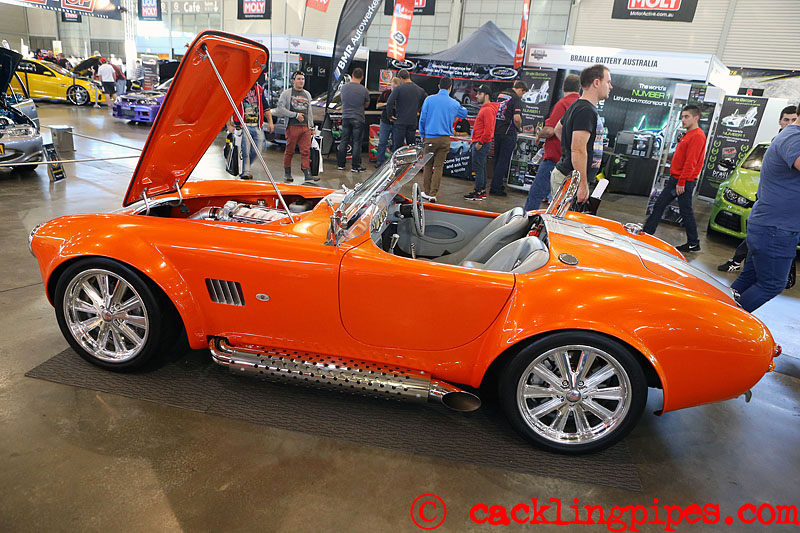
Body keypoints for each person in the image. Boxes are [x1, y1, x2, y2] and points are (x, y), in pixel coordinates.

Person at [731, 106, 800, 312]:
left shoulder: (790, 136)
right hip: (776, 229)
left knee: (750, 277)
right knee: (772, 284)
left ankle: (713, 317)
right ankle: (725, 323)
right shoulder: (794, 138)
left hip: (771, 226)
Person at [718, 104, 799, 271]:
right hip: (772, 213)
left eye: (793, 119)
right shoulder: (789, 140)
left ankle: (738, 262)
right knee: (771, 280)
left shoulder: (785, 138)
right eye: (786, 119)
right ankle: (736, 260)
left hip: (778, 216)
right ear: (780, 121)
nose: (790, 123)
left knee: (754, 268)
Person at [643, 104, 706, 252]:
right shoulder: (688, 134)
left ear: (696, 118)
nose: (683, 120)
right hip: (676, 179)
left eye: (686, 117)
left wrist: (682, 182)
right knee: (660, 205)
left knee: (685, 211)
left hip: (683, 181)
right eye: (682, 117)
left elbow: (691, 162)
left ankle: (693, 242)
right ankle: (646, 233)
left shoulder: (697, 136)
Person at [551, 64, 612, 205]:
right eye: (608, 82)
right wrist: (582, 184)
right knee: (565, 218)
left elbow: (558, 129)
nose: (610, 86)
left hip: (568, 176)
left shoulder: (579, 105)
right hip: (571, 180)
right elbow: (578, 149)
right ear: (596, 82)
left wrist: (569, 148)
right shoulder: (586, 110)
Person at [523, 74, 581, 210]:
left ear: (563, 87)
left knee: (536, 194)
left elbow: (550, 130)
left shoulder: (563, 104)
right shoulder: (581, 105)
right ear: (579, 88)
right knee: (562, 200)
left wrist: (539, 135)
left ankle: (527, 221)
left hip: (554, 158)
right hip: (571, 161)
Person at [418, 77, 468, 203]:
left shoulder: (429, 99)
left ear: (439, 86)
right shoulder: (454, 103)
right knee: (438, 166)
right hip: (445, 139)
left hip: (430, 138)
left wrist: (423, 134)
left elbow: (422, 119)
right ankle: (433, 194)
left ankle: (427, 192)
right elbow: (464, 114)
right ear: (450, 88)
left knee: (428, 165)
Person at [226, 82, 275, 180]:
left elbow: (266, 107)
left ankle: (245, 167)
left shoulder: (259, 89)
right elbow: (229, 106)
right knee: (245, 150)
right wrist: (228, 124)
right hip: (243, 125)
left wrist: (270, 122)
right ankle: (245, 172)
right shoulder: (238, 89)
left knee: (259, 150)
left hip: (257, 125)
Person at [489, 80, 527, 196]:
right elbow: (517, 118)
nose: (522, 96)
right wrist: (519, 128)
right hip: (508, 132)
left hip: (497, 130)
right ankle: (496, 187)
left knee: (497, 159)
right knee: (503, 161)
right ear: (521, 90)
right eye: (523, 93)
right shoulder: (515, 98)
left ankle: (495, 184)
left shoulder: (501, 95)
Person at [274, 71, 314, 183]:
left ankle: (307, 172)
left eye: (303, 79)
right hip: (292, 126)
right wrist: (295, 115)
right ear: (293, 81)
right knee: (290, 150)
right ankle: (287, 172)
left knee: (306, 150)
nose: (301, 81)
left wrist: (311, 127)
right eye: (299, 79)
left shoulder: (307, 94)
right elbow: (280, 108)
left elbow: (310, 111)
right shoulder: (286, 94)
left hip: (305, 127)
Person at [464, 85, 498, 201]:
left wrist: (480, 142)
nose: (477, 96)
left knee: (478, 168)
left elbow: (488, 130)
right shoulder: (487, 108)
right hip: (480, 142)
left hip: (481, 143)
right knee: (481, 167)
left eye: (479, 93)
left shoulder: (487, 109)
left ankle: (478, 191)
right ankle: (481, 190)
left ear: (486, 95)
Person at [336, 67, 371, 173]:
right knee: (357, 143)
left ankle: (341, 165)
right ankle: (355, 166)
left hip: (345, 117)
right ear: (362, 77)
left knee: (344, 141)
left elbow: (342, 100)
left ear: (352, 75)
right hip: (358, 118)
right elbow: (367, 104)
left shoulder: (344, 88)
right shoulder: (364, 90)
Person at [385, 69, 427, 150]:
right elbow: (426, 101)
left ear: (401, 78)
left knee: (398, 147)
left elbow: (389, 102)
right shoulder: (420, 90)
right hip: (412, 121)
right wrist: (418, 110)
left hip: (400, 121)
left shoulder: (398, 89)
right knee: (411, 147)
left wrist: (390, 115)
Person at [375, 77, 401, 166]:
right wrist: (388, 103)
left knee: (395, 143)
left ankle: (392, 163)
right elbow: (377, 105)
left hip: (396, 122)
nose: (394, 90)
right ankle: (379, 161)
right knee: (382, 142)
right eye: (393, 87)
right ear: (390, 86)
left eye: (396, 88)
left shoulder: (401, 95)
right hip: (385, 121)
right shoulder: (385, 93)